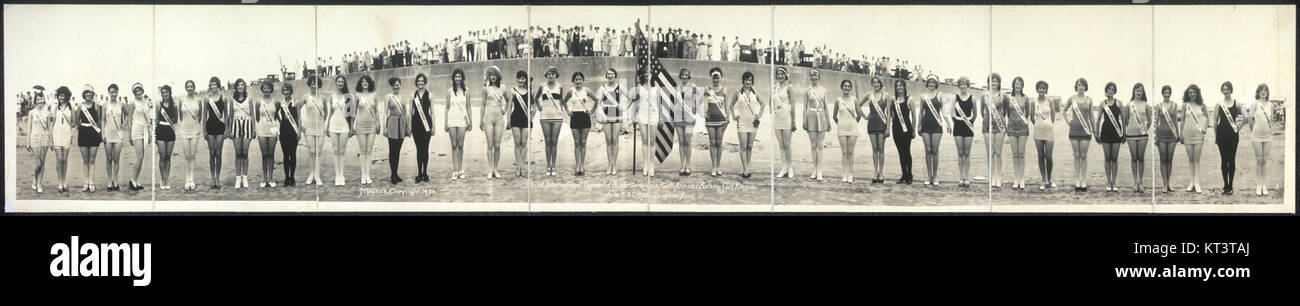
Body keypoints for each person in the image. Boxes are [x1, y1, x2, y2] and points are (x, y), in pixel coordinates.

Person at [917, 77, 951, 186]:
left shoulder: (940, 95)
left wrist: (949, 124)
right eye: (930, 82)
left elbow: (944, 111)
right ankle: (929, 175)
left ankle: (935, 176)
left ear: (936, 84)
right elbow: (921, 112)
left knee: (935, 151)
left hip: (937, 126)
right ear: (927, 84)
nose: (931, 84)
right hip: (925, 126)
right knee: (928, 150)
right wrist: (918, 125)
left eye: (933, 82)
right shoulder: (923, 96)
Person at [1211, 81, 1243, 195]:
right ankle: (1225, 185)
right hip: (1222, 135)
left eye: (1228, 89)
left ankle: (1231, 185)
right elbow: (1215, 121)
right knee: (1224, 160)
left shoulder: (1237, 103)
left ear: (1231, 90)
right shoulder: (1218, 104)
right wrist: (1216, 136)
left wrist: (1239, 128)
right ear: (1222, 91)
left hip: (1233, 135)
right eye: (1224, 89)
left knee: (1232, 160)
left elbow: (1243, 118)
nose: (1226, 91)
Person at [1063, 78, 1095, 191]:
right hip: (1074, 130)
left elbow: (1091, 116)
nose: (1081, 87)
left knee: (1084, 156)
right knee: (1076, 156)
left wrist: (1094, 130)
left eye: (1083, 85)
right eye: (1079, 85)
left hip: (1085, 131)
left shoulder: (1089, 100)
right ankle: (1077, 179)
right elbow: (1064, 111)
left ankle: (1083, 180)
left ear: (1086, 87)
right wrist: (1068, 121)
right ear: (1076, 86)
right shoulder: (1071, 98)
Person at [563, 71, 597, 176]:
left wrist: (591, 112)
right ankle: (577, 165)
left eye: (580, 79)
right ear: (573, 80)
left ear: (583, 80)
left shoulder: (586, 90)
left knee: (583, 142)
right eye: (576, 79)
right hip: (575, 117)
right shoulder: (571, 90)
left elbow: (596, 100)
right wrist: (568, 111)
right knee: (577, 142)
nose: (578, 81)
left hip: (585, 117)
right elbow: (564, 101)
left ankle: (582, 165)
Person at [732, 71, 765, 179]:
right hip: (742, 122)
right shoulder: (738, 92)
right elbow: (731, 104)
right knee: (743, 146)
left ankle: (748, 166)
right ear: (743, 80)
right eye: (746, 80)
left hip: (752, 122)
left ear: (752, 81)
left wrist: (759, 115)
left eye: (750, 80)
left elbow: (763, 103)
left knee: (750, 146)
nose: (748, 82)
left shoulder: (755, 92)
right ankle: (745, 169)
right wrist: (734, 116)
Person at [378, 76, 410, 184]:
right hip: (392, 123)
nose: (396, 87)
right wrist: (384, 127)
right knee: (392, 150)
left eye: (398, 85)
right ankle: (393, 174)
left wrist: (408, 126)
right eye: (394, 85)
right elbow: (385, 112)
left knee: (398, 150)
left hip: (401, 124)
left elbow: (406, 113)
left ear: (400, 85)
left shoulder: (403, 97)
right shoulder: (388, 97)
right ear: (391, 86)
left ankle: (396, 173)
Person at [1096, 82, 1126, 192]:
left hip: (1116, 133)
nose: (1110, 91)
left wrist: (1124, 134)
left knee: (1114, 158)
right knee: (1107, 157)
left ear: (1114, 91)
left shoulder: (1119, 103)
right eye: (1109, 89)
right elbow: (1098, 119)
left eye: (1112, 89)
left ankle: (1114, 181)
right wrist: (1096, 133)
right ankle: (1109, 181)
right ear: (1106, 90)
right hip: (1105, 132)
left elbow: (1123, 119)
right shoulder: (1102, 103)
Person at [595, 68, 626, 176]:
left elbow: (629, 98)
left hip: (617, 114)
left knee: (615, 140)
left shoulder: (621, 87)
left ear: (615, 75)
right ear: (606, 76)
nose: (610, 76)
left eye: (612, 74)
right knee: (608, 140)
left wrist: (624, 107)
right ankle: (609, 165)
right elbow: (598, 103)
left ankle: (615, 164)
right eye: (608, 74)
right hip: (606, 114)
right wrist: (599, 115)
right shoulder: (602, 88)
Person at [1122, 83, 1151, 193]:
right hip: (1131, 135)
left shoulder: (1146, 104)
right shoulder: (1129, 104)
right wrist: (1131, 127)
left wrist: (1144, 129)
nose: (1139, 92)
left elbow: (1149, 120)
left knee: (1141, 158)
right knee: (1134, 158)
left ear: (1143, 92)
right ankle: (1135, 183)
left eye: (1141, 91)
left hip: (1143, 135)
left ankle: (1141, 183)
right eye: (1137, 90)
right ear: (1134, 91)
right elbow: (1125, 119)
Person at [1179, 84, 1209, 193]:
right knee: (1190, 159)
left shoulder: (1202, 105)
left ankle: (1197, 183)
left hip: (1198, 135)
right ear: (1187, 94)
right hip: (1187, 135)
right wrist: (1181, 134)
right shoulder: (1184, 105)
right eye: (1190, 92)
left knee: (1197, 159)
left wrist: (1204, 128)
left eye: (1194, 92)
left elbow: (1207, 117)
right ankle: (1191, 182)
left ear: (1197, 93)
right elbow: (1182, 120)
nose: (1192, 94)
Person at [536, 66, 565, 176]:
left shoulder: (560, 86)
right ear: (546, 75)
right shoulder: (542, 86)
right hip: (545, 116)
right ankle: (548, 165)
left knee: (554, 141)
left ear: (556, 75)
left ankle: (554, 165)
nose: (551, 76)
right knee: (547, 141)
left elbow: (561, 100)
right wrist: (539, 106)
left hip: (557, 116)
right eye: (549, 74)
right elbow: (536, 98)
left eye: (553, 74)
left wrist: (561, 110)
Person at [1030, 81, 1060, 190]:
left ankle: (1050, 179)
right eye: (1040, 88)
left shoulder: (1050, 101)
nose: (1041, 90)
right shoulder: (1034, 102)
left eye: (1043, 88)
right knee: (1041, 156)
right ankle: (1043, 180)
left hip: (1049, 131)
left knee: (1049, 156)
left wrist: (1048, 125)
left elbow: (1053, 116)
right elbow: (1031, 116)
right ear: (1037, 89)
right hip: (1038, 131)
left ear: (1046, 90)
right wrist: (1038, 125)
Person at [981, 74, 1009, 188]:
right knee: (990, 153)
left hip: (1000, 126)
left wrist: (999, 119)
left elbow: (1005, 111)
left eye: (996, 81)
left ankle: (998, 177)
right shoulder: (984, 95)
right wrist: (988, 120)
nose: (993, 83)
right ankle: (991, 177)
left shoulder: (1004, 96)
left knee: (998, 152)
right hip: (987, 126)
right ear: (988, 82)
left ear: (999, 83)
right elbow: (982, 111)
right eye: (991, 81)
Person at [1004, 77, 1033, 189]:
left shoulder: (1026, 98)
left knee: (1021, 153)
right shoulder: (1008, 98)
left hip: (1023, 128)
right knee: (1015, 154)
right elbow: (1007, 113)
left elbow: (1027, 113)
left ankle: (1022, 179)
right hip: (1011, 128)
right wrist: (1013, 120)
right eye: (1017, 83)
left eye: (1020, 84)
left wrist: (1020, 121)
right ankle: (1016, 178)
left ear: (1022, 86)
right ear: (1013, 84)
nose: (1018, 86)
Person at [74, 85, 103, 192]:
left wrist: (99, 133)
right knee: (85, 160)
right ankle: (86, 182)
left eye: (90, 92)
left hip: (94, 133)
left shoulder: (96, 106)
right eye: (86, 92)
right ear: (83, 94)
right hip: (83, 133)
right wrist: (83, 128)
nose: (88, 94)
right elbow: (77, 121)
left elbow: (99, 121)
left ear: (92, 94)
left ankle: (91, 182)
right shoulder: (80, 106)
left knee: (92, 160)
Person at [480, 66, 508, 179]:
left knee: (497, 145)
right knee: (490, 145)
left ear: (498, 76)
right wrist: (481, 119)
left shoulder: (503, 87)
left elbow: (508, 100)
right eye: (490, 75)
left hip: (499, 118)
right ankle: (490, 169)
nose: (492, 77)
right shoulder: (485, 88)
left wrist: (505, 110)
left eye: (494, 75)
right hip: (488, 118)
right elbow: (483, 104)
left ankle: (496, 169)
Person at [227, 79, 256, 189]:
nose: (240, 86)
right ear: (235, 87)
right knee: (238, 153)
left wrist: (254, 129)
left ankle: (245, 178)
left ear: (244, 86)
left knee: (245, 153)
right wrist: (229, 129)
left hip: (247, 124)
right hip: (236, 125)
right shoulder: (232, 100)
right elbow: (230, 116)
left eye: (242, 85)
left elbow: (252, 115)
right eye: (238, 85)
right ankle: (238, 179)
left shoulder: (249, 99)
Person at [1246, 84, 1273, 196]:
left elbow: (1271, 120)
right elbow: (1250, 118)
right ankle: (1258, 185)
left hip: (1268, 136)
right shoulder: (1254, 104)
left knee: (1265, 161)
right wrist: (1253, 130)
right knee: (1259, 160)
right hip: (1256, 136)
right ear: (1258, 92)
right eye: (1261, 90)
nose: (1263, 92)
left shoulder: (1271, 105)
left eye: (1265, 90)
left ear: (1267, 92)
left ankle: (1264, 185)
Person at [300, 76, 328, 186]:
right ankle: (311, 175)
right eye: (312, 83)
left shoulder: (323, 98)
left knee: (318, 152)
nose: (313, 85)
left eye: (315, 83)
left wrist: (322, 123)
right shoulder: (305, 97)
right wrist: (301, 124)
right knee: (312, 151)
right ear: (309, 84)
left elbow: (326, 112)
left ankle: (317, 176)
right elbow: (296, 109)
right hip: (309, 127)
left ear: (318, 85)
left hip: (320, 128)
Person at [506, 70, 534, 178]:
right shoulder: (513, 91)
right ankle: (518, 167)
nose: (521, 80)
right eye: (519, 78)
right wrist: (508, 120)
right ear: (516, 79)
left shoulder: (530, 91)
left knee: (524, 143)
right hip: (515, 119)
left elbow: (534, 105)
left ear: (526, 79)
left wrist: (532, 116)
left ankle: (523, 167)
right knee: (517, 143)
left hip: (526, 119)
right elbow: (509, 106)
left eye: (523, 78)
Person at [831, 79, 860, 182]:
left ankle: (850, 174)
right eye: (845, 86)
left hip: (853, 129)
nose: (847, 88)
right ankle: (845, 174)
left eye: (848, 86)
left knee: (850, 152)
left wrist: (854, 123)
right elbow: (834, 116)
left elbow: (859, 114)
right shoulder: (838, 100)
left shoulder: (854, 100)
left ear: (851, 88)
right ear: (842, 87)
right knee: (844, 152)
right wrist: (840, 124)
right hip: (841, 129)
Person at [703, 67, 731, 177]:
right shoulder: (707, 89)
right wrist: (703, 112)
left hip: (721, 120)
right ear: (711, 78)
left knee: (719, 143)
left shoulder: (724, 90)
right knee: (712, 143)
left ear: (720, 77)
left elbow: (727, 105)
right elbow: (700, 100)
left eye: (717, 77)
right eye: (714, 78)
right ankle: (713, 166)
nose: (715, 80)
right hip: (710, 120)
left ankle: (718, 166)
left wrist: (728, 117)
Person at [674, 68, 702, 176]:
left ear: (688, 76)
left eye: (686, 74)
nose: (684, 76)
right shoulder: (677, 88)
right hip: (678, 116)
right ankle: (682, 165)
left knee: (688, 141)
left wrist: (695, 105)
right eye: (683, 74)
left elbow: (701, 96)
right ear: (680, 76)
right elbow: (674, 101)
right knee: (681, 141)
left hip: (689, 117)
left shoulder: (693, 86)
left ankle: (688, 165)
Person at [861, 77, 890, 183]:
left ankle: (881, 173)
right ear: (872, 84)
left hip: (882, 125)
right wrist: (864, 116)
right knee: (874, 149)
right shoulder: (869, 95)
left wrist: (888, 127)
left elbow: (889, 113)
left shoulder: (885, 95)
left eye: (878, 82)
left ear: (881, 84)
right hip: (872, 124)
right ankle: (875, 172)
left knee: (881, 149)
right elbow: (858, 105)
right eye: (874, 82)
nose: (876, 84)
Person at [446, 69, 473, 179]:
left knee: (460, 145)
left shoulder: (467, 90)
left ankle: (461, 169)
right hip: (452, 119)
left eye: (459, 76)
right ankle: (455, 170)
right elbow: (447, 107)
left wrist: (470, 121)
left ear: (462, 78)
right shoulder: (449, 91)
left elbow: (468, 107)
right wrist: (445, 122)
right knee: (453, 145)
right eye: (456, 77)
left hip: (462, 120)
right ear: (453, 78)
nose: (457, 79)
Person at [327, 75, 354, 186]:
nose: (340, 83)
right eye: (338, 81)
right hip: (333, 125)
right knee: (335, 150)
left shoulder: (348, 96)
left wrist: (351, 127)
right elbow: (330, 113)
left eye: (342, 82)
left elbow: (351, 114)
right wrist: (327, 125)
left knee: (342, 152)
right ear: (336, 83)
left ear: (344, 83)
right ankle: (337, 175)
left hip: (344, 126)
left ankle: (341, 175)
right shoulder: (332, 97)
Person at [127, 83, 154, 191]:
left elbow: (149, 119)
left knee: (142, 157)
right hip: (136, 129)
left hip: (145, 130)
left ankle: (136, 180)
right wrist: (129, 135)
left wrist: (150, 133)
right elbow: (129, 120)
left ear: (143, 90)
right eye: (136, 91)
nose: (138, 92)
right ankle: (132, 180)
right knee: (139, 157)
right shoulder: (132, 103)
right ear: (134, 93)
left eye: (140, 90)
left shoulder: (147, 102)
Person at [629, 71, 657, 177]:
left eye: (649, 73)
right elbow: (635, 103)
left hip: (654, 115)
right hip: (642, 116)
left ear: (652, 75)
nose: (646, 75)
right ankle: (645, 164)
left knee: (652, 142)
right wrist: (633, 116)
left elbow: (659, 103)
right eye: (645, 73)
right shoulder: (639, 88)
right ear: (643, 75)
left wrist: (661, 118)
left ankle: (652, 165)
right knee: (644, 141)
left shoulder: (656, 88)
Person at [410, 73, 437, 182]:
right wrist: (409, 126)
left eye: (422, 81)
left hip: (427, 125)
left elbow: (432, 112)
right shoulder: (412, 95)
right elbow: (410, 112)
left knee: (425, 149)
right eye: (418, 81)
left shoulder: (430, 95)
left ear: (425, 82)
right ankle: (419, 173)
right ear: (416, 82)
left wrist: (433, 126)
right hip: (416, 124)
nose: (420, 83)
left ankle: (425, 173)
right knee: (418, 149)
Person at [177, 81, 203, 191]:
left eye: (191, 86)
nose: (190, 88)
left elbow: (200, 115)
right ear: (185, 88)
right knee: (187, 156)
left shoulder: (198, 100)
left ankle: (192, 179)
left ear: (194, 88)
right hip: (184, 130)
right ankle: (187, 179)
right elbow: (180, 116)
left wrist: (196, 127)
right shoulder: (181, 100)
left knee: (193, 155)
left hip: (194, 131)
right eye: (188, 86)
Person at [1153, 85, 1180, 193]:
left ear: (1170, 93)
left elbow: (1175, 120)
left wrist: (1177, 134)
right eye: (1165, 92)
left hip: (1172, 135)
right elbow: (1155, 121)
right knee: (1163, 159)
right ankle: (1164, 183)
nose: (1167, 94)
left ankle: (1168, 183)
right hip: (1161, 135)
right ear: (1162, 93)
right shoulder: (1158, 106)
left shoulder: (1174, 105)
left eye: (1168, 92)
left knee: (1170, 159)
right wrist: (1155, 135)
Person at [951, 77, 977, 188]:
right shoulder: (955, 98)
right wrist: (958, 122)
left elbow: (975, 114)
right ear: (958, 86)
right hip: (958, 126)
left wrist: (969, 122)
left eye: (964, 84)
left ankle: (966, 177)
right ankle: (961, 177)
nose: (963, 86)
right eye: (961, 84)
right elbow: (952, 114)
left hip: (968, 127)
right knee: (960, 153)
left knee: (967, 153)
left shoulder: (972, 98)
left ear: (967, 85)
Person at [253, 82, 280, 188]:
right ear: (262, 89)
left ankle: (271, 178)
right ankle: (264, 179)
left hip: (273, 129)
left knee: (271, 154)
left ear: (271, 89)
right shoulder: (258, 102)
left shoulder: (276, 101)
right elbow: (257, 116)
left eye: (268, 88)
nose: (266, 90)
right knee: (264, 154)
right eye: (264, 88)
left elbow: (277, 115)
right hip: (262, 130)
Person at [772, 67, 796, 178]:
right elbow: (771, 102)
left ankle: (790, 168)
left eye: (782, 74)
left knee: (787, 144)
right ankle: (783, 168)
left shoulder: (789, 87)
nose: (780, 76)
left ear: (785, 75)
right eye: (778, 74)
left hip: (787, 117)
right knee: (781, 145)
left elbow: (793, 105)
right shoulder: (774, 87)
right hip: (777, 118)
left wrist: (794, 121)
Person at [890, 79, 916, 184]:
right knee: (900, 152)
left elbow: (914, 115)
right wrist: (893, 119)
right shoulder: (893, 99)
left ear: (904, 86)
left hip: (906, 129)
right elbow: (891, 111)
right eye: (897, 86)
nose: (899, 87)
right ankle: (903, 175)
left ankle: (910, 175)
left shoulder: (910, 99)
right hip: (896, 129)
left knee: (907, 152)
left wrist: (913, 129)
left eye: (901, 85)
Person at [27, 89, 53, 193]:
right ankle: (35, 177)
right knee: (38, 163)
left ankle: (39, 183)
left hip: (45, 138)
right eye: (38, 99)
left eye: (41, 99)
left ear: (44, 100)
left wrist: (51, 141)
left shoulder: (48, 113)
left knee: (43, 162)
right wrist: (27, 142)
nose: (40, 101)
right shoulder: (31, 112)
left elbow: (50, 128)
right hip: (34, 138)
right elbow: (29, 128)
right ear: (35, 101)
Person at [277, 83, 302, 187]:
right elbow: (276, 115)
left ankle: (292, 177)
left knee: (293, 154)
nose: (286, 92)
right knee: (285, 155)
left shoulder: (296, 102)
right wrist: (281, 122)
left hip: (293, 131)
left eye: (287, 90)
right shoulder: (280, 103)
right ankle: (286, 178)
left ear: (291, 91)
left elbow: (299, 117)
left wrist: (299, 130)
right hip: (283, 131)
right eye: (284, 90)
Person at [52, 87, 76, 193]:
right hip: (56, 134)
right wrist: (51, 137)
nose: (61, 97)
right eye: (59, 95)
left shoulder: (72, 107)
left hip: (67, 134)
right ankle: (60, 182)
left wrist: (67, 119)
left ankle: (64, 181)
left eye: (62, 95)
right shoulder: (55, 107)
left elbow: (74, 124)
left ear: (67, 96)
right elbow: (53, 123)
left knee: (65, 159)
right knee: (59, 159)